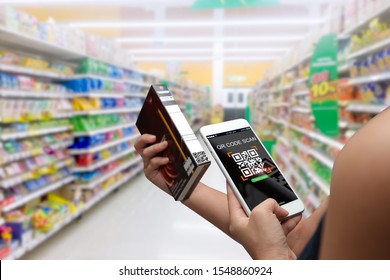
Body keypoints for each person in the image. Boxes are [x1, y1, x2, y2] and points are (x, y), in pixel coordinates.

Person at [134, 108, 390, 259]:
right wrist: (184, 185)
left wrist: (271, 258)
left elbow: (283, 250)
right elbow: (295, 242)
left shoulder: (378, 149)